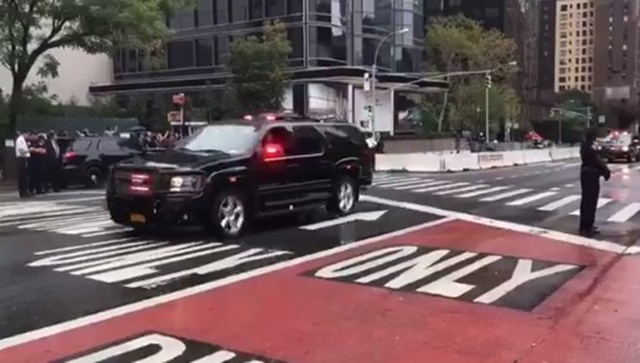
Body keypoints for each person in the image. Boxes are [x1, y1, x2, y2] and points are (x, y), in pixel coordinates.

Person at [579, 128, 611, 235]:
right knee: (590, 202)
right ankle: (587, 227)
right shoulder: (591, 146)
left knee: (586, 201)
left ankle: (585, 225)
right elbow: (597, 159)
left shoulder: (584, 145)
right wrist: (605, 170)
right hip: (591, 175)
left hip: (586, 174)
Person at [14, 131, 31, 198]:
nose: (28, 136)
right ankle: (22, 191)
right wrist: (29, 150)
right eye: (27, 134)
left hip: (24, 158)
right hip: (21, 158)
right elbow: (21, 150)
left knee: (24, 176)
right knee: (22, 176)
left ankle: (25, 191)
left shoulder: (23, 140)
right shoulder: (20, 140)